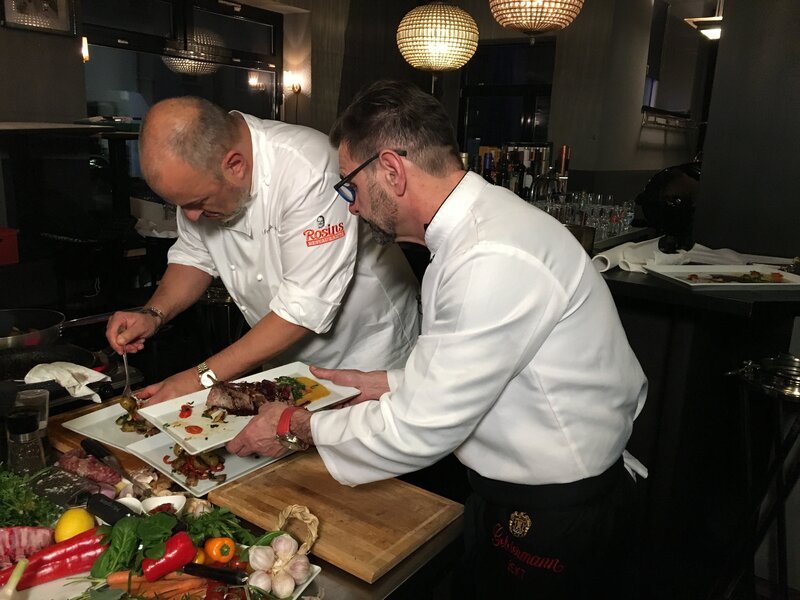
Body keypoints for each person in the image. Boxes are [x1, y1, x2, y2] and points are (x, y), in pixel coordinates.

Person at [226, 80, 648, 598]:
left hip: (555, 511)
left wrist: (297, 425)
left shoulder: (487, 256)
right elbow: (483, 372)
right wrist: (381, 383)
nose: (350, 206)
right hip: (520, 494)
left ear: (391, 170)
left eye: (348, 185)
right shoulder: (474, 231)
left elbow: (420, 429)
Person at [106, 96, 420, 403]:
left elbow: (302, 307)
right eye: (181, 205)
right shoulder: (199, 179)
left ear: (235, 165)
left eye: (197, 203)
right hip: (284, 360)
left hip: (367, 355)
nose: (190, 216)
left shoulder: (308, 168)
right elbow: (193, 257)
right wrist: (153, 314)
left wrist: (199, 378)